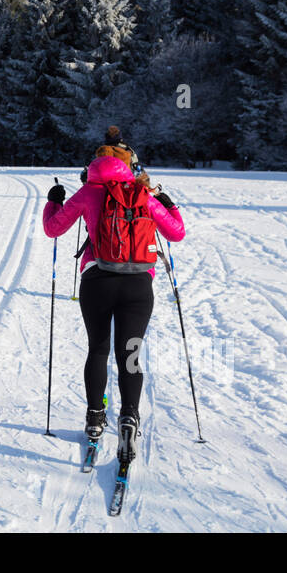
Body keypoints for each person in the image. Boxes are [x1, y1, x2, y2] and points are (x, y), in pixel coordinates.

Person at [43, 127, 186, 460]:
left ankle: (95, 419)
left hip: (98, 280)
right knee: (130, 354)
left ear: (94, 165)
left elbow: (53, 228)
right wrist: (170, 205)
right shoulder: (143, 194)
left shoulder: (89, 192)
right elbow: (176, 234)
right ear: (128, 165)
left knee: (98, 350)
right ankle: (129, 418)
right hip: (139, 284)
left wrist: (54, 202)